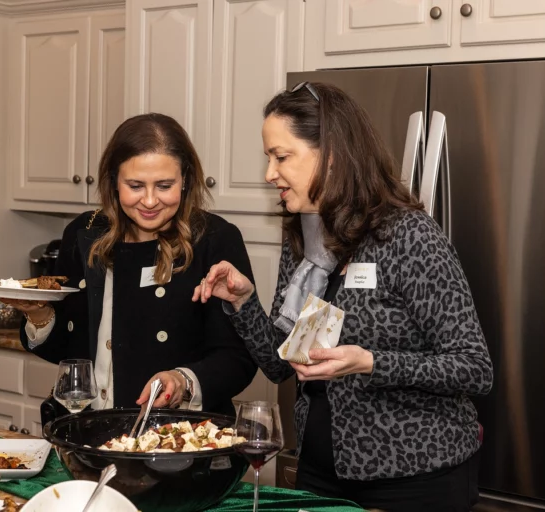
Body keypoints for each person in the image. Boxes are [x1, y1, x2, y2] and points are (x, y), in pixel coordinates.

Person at [194, 82, 493, 511]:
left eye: (281, 157)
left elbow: (474, 368)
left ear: (332, 155)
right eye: (268, 159)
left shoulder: (407, 235)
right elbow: (281, 364)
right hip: (321, 471)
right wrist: (242, 302)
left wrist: (369, 362)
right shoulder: (303, 236)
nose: (269, 174)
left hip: (414, 478)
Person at [6, 113, 258, 416]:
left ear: (186, 180)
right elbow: (66, 350)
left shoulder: (214, 238)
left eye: (164, 185)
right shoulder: (83, 233)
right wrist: (40, 315)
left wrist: (183, 381)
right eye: (135, 185)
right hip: (86, 431)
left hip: (173, 438)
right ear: (113, 181)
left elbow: (237, 358)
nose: (150, 201)